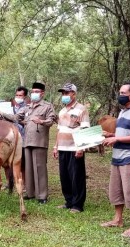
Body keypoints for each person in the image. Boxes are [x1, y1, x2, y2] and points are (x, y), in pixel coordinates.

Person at [100, 82, 130, 238]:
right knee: (116, 190)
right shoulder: (123, 112)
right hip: (116, 156)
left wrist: (116, 139)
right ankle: (118, 219)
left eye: (123, 93)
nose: (120, 95)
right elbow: (122, 133)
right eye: (119, 92)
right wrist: (110, 136)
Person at [0, 82, 56, 204]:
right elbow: (15, 117)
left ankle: (42, 195)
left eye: (37, 92)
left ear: (42, 93)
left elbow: (51, 120)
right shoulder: (27, 107)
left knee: (39, 168)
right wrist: (0, 114)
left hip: (39, 141)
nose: (34, 94)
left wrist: (41, 121)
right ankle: (30, 193)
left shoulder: (47, 106)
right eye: (33, 92)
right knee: (28, 168)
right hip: (27, 141)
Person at [52, 83, 90, 213]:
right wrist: (55, 146)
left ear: (74, 93)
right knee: (65, 176)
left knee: (76, 176)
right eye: (63, 93)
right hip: (62, 147)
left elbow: (85, 129)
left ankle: (77, 204)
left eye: (67, 93)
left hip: (74, 148)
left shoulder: (81, 109)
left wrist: (80, 148)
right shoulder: (62, 111)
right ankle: (68, 201)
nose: (64, 96)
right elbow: (59, 130)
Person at [3, 86, 28, 189]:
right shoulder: (10, 108)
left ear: (25, 96)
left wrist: (16, 120)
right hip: (9, 137)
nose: (18, 97)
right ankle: (9, 182)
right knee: (6, 162)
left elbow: (25, 121)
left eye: (20, 95)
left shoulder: (27, 108)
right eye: (17, 95)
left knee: (21, 163)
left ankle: (24, 184)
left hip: (22, 138)